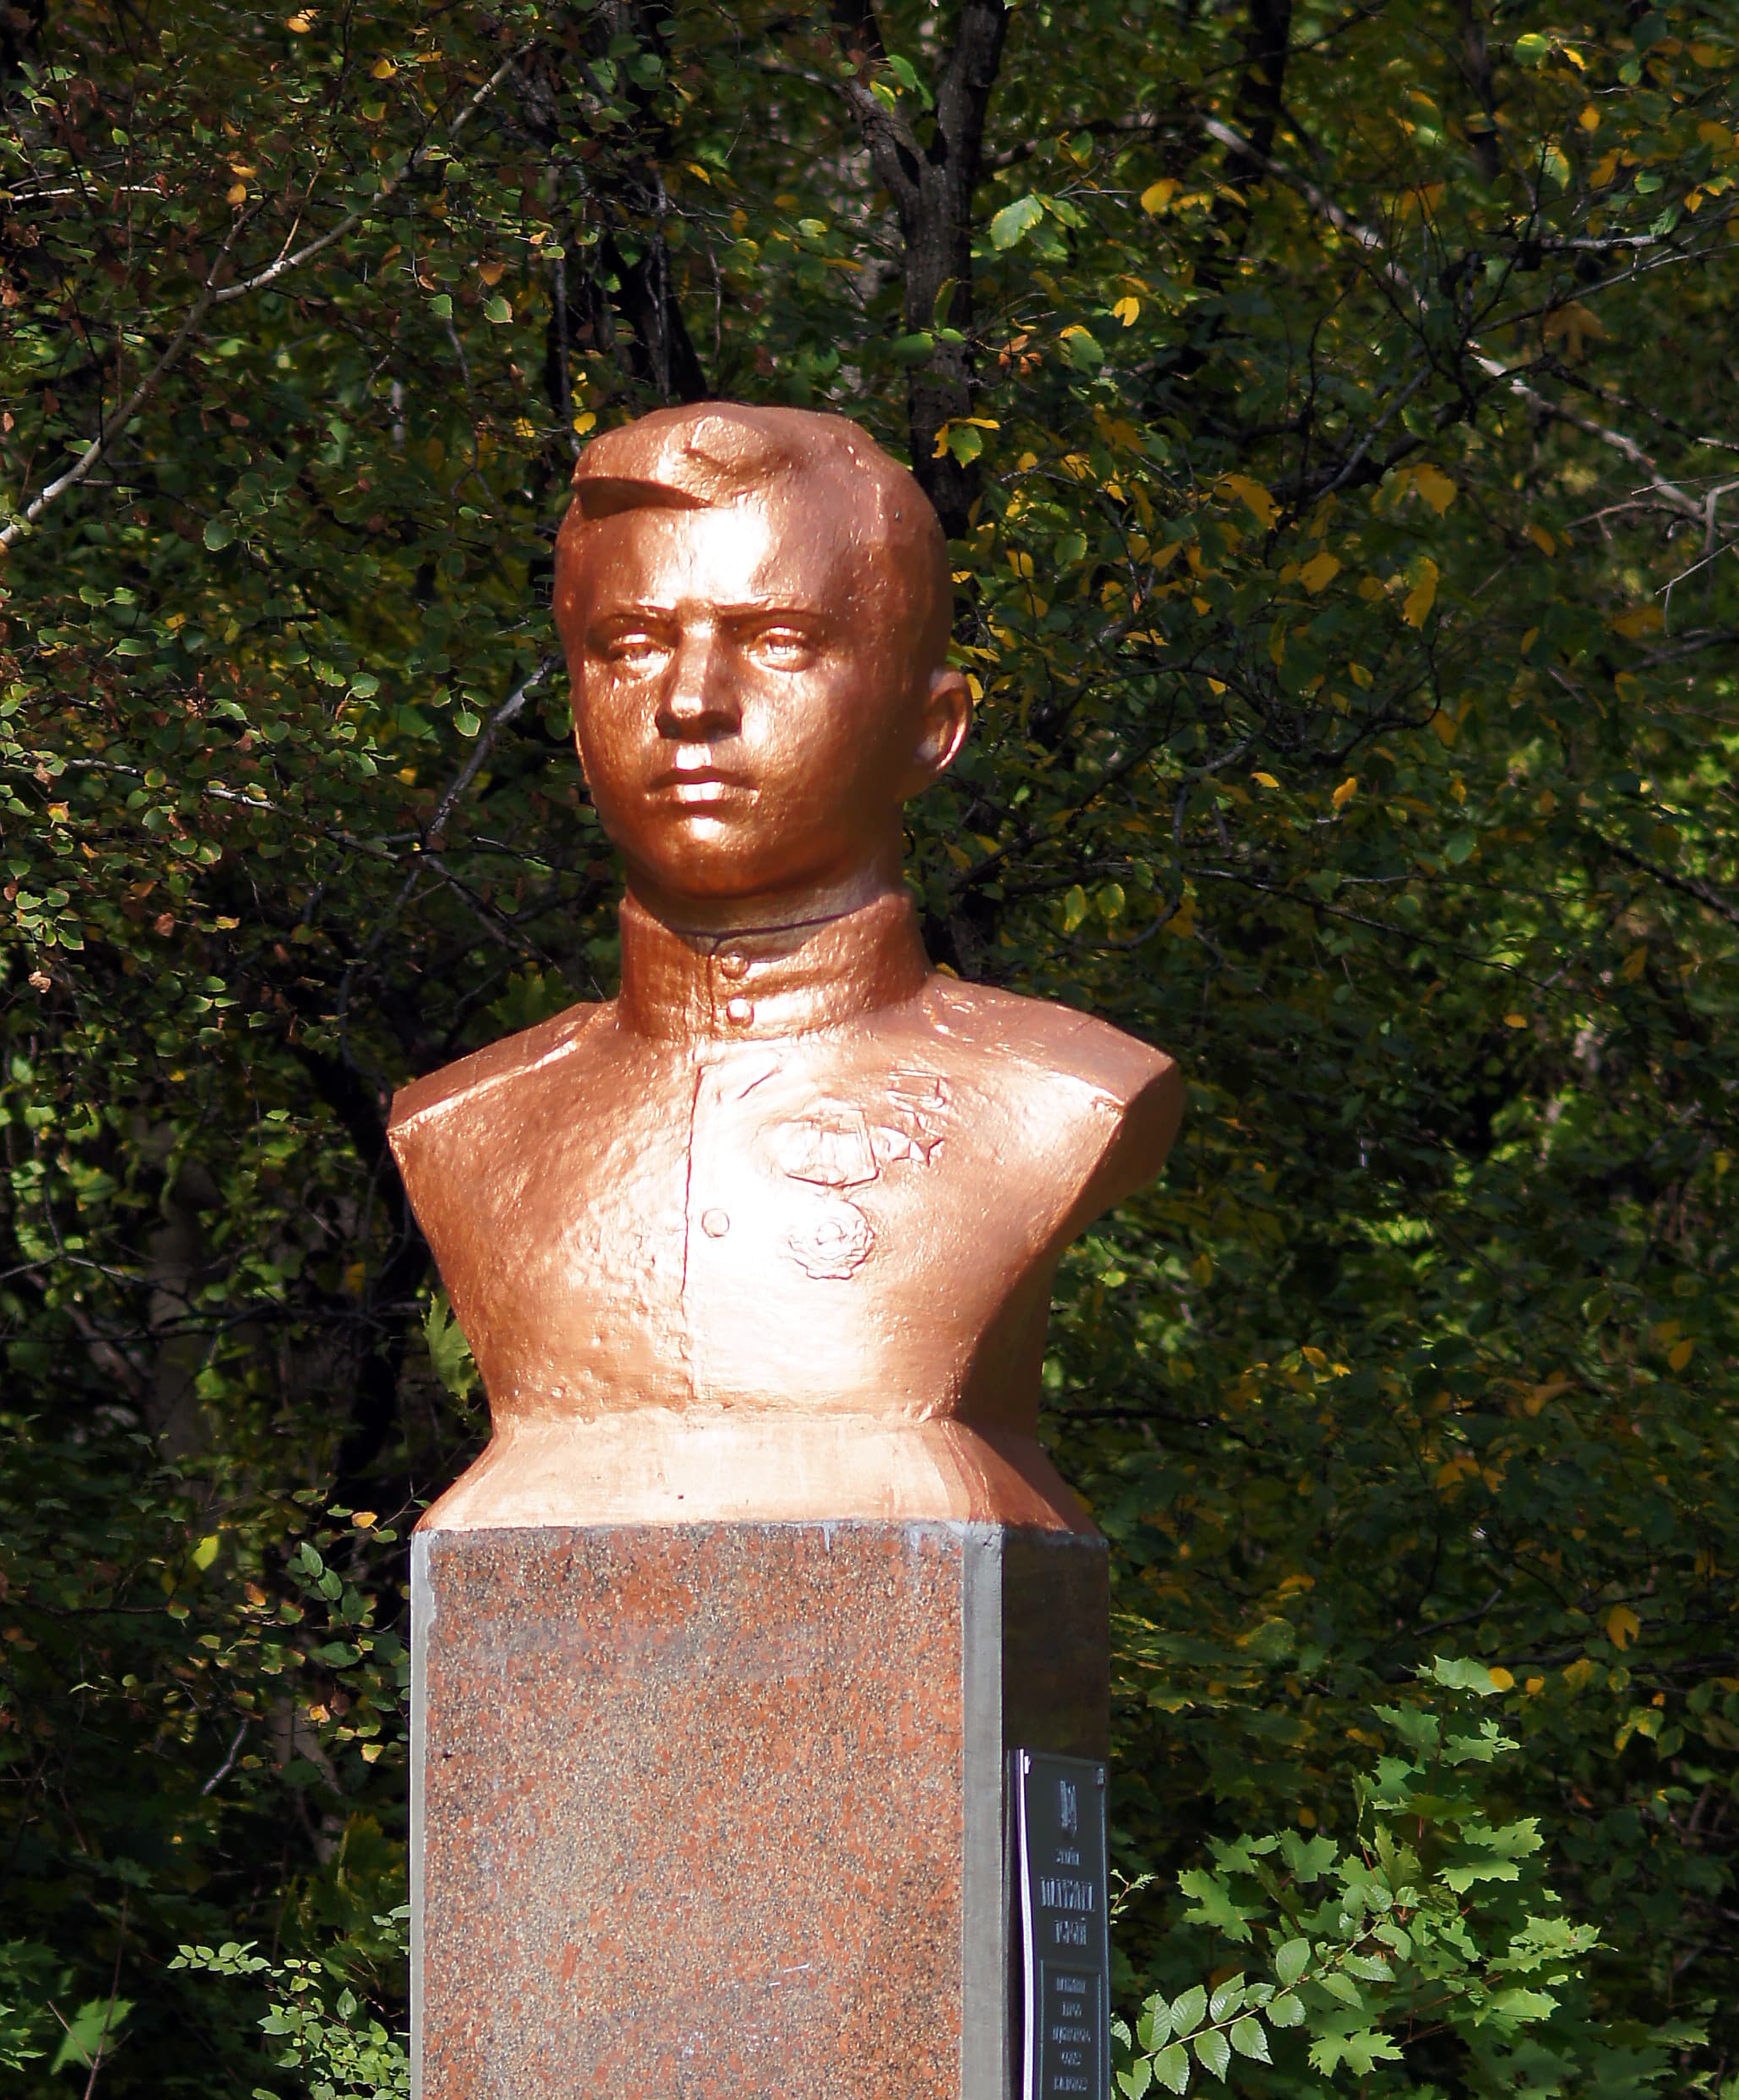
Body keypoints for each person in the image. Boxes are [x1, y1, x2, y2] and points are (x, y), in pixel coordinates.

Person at [391, 400, 1183, 1533]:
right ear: (575, 717)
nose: (689, 703)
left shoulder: (1064, 1096)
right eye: (631, 647)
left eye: (777, 642)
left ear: (932, 726)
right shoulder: (463, 1125)